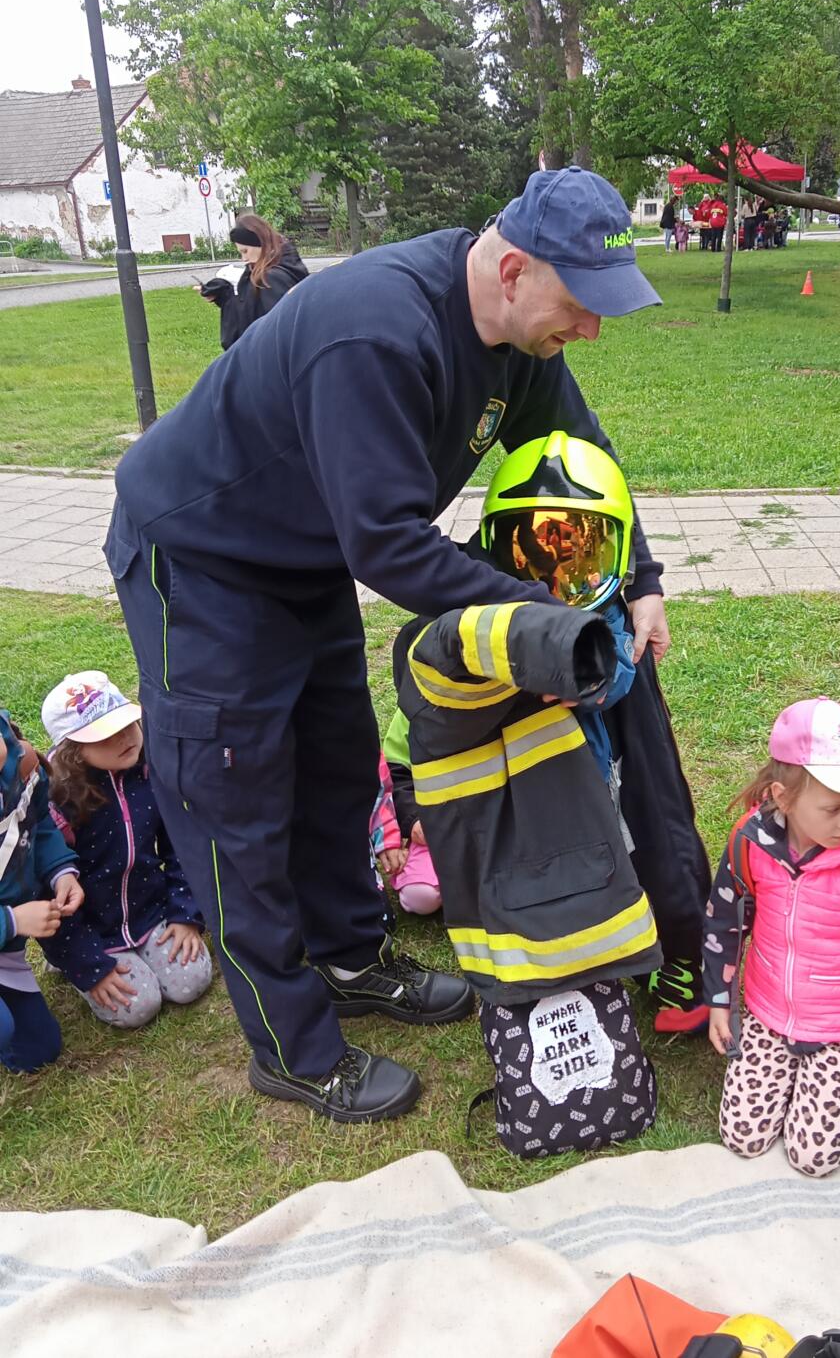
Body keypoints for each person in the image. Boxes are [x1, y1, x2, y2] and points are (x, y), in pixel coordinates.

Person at [104, 165, 673, 1124]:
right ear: (513, 271)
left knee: (337, 765)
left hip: (304, 555)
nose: (590, 329)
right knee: (236, 799)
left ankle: (349, 956)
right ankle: (292, 1049)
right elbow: (389, 545)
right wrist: (543, 622)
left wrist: (641, 578)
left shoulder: (520, 340)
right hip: (201, 560)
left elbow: (585, 457)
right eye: (580, 304)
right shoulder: (375, 331)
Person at [386, 432, 711, 1029]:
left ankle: (665, 957)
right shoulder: (487, 627)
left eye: (583, 552)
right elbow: (424, 715)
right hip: (535, 805)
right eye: (534, 552)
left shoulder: (608, 616)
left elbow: (618, 665)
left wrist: (585, 664)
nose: (560, 579)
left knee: (637, 857)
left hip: (606, 783)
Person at [704, 698, 840, 1177]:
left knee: (813, 1159)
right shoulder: (749, 842)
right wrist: (720, 1002)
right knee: (742, 1137)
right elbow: (724, 923)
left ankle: (832, 1081)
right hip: (769, 1013)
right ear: (783, 797)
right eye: (833, 808)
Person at [39, 672, 213, 1029]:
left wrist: (185, 915)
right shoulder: (57, 806)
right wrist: (88, 965)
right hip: (93, 933)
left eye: (127, 724)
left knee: (191, 981)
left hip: (151, 914)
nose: (124, 738)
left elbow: (181, 846)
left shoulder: (151, 772)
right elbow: (50, 898)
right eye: (105, 735)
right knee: (139, 1006)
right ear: (73, 751)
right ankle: (68, 963)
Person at [0, 709, 83, 1074]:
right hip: (7, 924)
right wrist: (12, 920)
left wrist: (60, 869)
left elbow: (37, 822)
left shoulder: (19, 759)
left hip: (5, 948)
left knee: (38, 1050)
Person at [199, 214, 309, 351]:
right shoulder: (268, 268)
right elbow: (252, 308)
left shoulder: (272, 277)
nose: (244, 258)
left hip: (268, 357)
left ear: (259, 243)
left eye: (245, 251)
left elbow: (276, 328)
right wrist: (223, 295)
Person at [371, 745, 441, 916]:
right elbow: (395, 775)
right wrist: (413, 818)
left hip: (494, 828)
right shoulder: (407, 727)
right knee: (420, 897)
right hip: (435, 829)